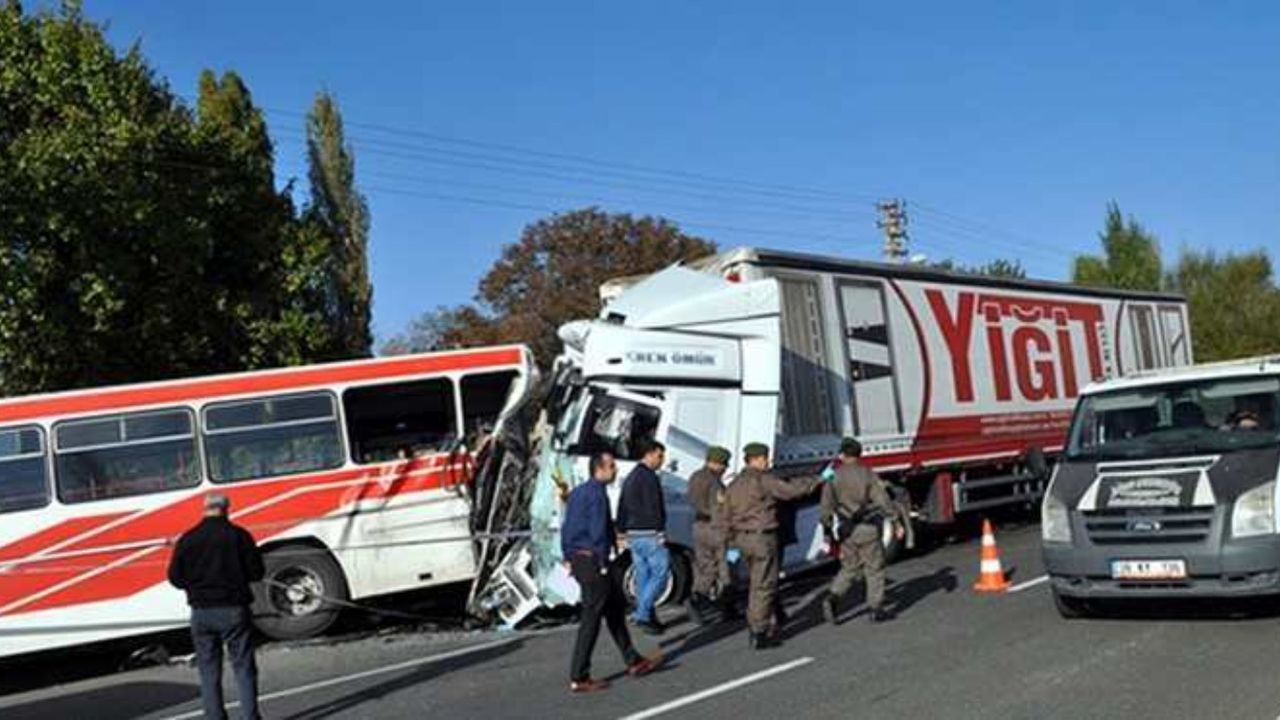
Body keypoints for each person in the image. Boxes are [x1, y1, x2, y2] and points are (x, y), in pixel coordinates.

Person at [561, 451, 661, 694]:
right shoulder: (597, 494)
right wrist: (603, 560)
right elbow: (596, 531)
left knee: (614, 608)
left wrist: (567, 556)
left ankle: (633, 660)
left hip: (578, 557)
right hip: (593, 561)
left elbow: (566, 527)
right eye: (612, 466)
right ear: (600, 469)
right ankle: (579, 675)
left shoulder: (577, 492)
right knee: (591, 618)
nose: (615, 470)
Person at [167, 493, 265, 720]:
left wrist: (195, 585)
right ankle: (250, 717)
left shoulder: (188, 538)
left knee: (209, 671)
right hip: (234, 610)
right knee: (243, 667)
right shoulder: (239, 536)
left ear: (204, 509)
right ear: (227, 509)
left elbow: (175, 577)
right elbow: (257, 572)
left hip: (201, 612)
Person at [718, 442, 820, 649]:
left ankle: (759, 622)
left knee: (756, 583)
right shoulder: (763, 479)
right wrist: (817, 480)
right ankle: (759, 631)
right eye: (764, 458)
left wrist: (730, 543)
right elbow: (791, 491)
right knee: (764, 585)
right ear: (754, 459)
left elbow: (725, 515)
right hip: (762, 538)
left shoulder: (734, 483)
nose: (767, 461)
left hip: (742, 539)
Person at [820, 438, 903, 625]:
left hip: (846, 530)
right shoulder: (867, 474)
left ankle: (832, 597)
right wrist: (895, 521)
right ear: (859, 454)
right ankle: (875, 607)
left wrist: (827, 531)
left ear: (842, 455)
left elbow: (825, 508)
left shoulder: (833, 476)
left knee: (849, 567)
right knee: (874, 567)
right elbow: (882, 500)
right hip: (867, 528)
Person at [616, 440, 669, 634]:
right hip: (649, 532)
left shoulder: (631, 477)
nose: (662, 460)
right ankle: (643, 613)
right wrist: (660, 530)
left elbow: (622, 505)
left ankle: (647, 614)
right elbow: (655, 506)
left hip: (632, 532)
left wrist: (620, 530)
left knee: (643, 574)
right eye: (660, 456)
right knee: (661, 572)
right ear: (649, 454)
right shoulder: (649, 478)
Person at [685, 446, 733, 625]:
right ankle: (718, 605)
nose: (725, 469)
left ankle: (699, 596)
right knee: (724, 568)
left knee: (704, 565)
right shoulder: (715, 483)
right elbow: (719, 509)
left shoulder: (695, 477)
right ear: (718, 463)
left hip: (698, 527)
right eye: (724, 465)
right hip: (715, 529)